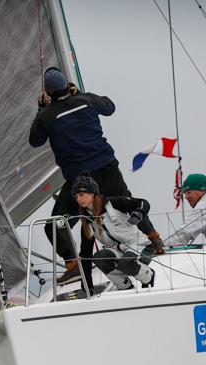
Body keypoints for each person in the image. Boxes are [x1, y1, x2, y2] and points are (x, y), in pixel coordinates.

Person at [29, 67, 164, 285]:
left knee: (55, 225)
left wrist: (41, 108)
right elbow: (110, 107)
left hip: (80, 180)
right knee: (127, 203)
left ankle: (74, 266)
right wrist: (79, 94)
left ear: (47, 91)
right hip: (106, 167)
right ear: (67, 85)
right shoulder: (86, 100)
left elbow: (35, 140)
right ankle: (155, 242)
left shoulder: (47, 115)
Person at [72, 176, 156, 291]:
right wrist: (87, 286)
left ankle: (148, 276)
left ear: (92, 192)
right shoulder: (87, 223)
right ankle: (125, 287)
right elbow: (85, 255)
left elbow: (143, 202)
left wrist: (139, 213)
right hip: (119, 252)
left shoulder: (114, 203)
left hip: (141, 246)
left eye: (81, 194)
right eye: (76, 197)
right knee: (99, 258)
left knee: (126, 262)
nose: (78, 199)